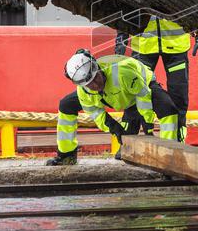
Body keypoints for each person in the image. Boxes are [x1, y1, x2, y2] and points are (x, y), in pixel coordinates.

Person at [47, 49, 181, 166]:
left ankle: (169, 157)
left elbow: (142, 96)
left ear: (98, 68)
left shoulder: (122, 72)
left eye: (96, 78)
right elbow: (96, 113)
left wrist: (148, 124)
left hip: (143, 87)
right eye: (89, 84)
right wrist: (115, 128)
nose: (95, 85)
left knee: (167, 107)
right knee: (66, 105)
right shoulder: (84, 91)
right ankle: (66, 156)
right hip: (121, 98)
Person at [116, 18, 198, 142]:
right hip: (143, 47)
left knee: (179, 97)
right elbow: (126, 8)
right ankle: (126, 141)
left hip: (176, 46)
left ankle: (176, 143)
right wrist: (121, 38)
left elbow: (194, 4)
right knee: (134, 95)